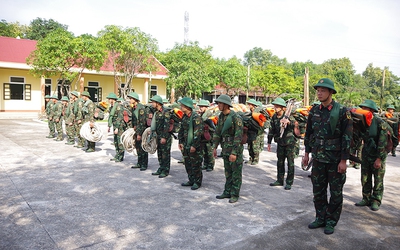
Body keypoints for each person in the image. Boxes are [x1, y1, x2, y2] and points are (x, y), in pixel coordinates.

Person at [302, 78, 352, 235]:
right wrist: (306, 153)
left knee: (336, 192)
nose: (319, 92)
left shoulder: (342, 111)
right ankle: (320, 218)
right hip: (318, 158)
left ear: (331, 92)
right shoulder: (314, 110)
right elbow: (309, 133)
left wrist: (344, 160)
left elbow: (347, 137)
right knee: (318, 190)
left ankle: (331, 221)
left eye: (323, 90)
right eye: (318, 90)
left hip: (335, 159)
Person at [355, 100, 388, 211]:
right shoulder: (362, 122)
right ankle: (366, 198)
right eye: (362, 108)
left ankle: (376, 200)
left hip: (378, 154)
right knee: (365, 177)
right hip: (366, 154)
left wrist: (379, 159)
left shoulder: (380, 123)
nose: (362, 110)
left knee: (378, 179)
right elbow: (358, 137)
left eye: (365, 108)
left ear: (372, 110)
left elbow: (382, 142)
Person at [213, 94, 244, 203]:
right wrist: (214, 147)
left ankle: (235, 194)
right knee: (228, 172)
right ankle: (227, 191)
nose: (218, 105)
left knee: (236, 172)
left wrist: (234, 152)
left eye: (220, 103)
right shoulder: (221, 116)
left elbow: (238, 136)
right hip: (225, 149)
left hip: (234, 150)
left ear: (226, 105)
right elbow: (217, 132)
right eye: (218, 103)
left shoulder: (236, 118)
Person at [267, 97, 300, 190]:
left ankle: (289, 182)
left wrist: (289, 122)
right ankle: (279, 180)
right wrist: (269, 142)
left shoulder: (288, 115)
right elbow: (271, 129)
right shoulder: (274, 117)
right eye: (275, 106)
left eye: (277, 106)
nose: (275, 108)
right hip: (280, 142)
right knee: (280, 162)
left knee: (290, 163)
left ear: (282, 108)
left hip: (289, 143)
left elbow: (296, 126)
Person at [178, 97, 204, 190]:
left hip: (194, 146)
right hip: (185, 144)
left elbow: (198, 133)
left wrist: (194, 145)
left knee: (196, 164)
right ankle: (191, 180)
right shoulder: (184, 117)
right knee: (188, 163)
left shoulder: (196, 117)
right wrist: (180, 141)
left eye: (182, 105)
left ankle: (197, 182)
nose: (181, 107)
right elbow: (181, 130)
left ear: (187, 107)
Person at [150, 95, 173, 178]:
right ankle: (161, 167)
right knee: (160, 153)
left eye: (153, 102)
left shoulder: (165, 112)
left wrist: (164, 137)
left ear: (158, 103)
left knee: (165, 154)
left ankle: (165, 170)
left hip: (165, 136)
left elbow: (166, 126)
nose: (152, 103)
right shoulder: (157, 112)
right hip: (158, 136)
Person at [128, 92, 150, 171]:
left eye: (131, 98)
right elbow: (134, 120)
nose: (130, 100)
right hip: (136, 130)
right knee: (138, 147)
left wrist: (139, 134)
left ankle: (144, 164)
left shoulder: (141, 108)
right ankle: (139, 162)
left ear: (135, 99)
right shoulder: (134, 107)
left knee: (143, 147)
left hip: (142, 131)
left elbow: (142, 122)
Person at [107, 93, 127, 162]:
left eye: (109, 99)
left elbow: (120, 117)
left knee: (119, 141)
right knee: (115, 141)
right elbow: (111, 117)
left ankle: (121, 156)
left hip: (119, 126)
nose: (108, 100)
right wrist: (109, 126)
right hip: (115, 125)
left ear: (113, 99)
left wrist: (117, 128)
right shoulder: (112, 107)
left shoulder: (118, 106)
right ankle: (117, 155)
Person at [197, 100, 215, 172]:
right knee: (204, 150)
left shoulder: (208, 113)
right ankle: (205, 164)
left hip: (209, 134)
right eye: (200, 106)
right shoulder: (202, 113)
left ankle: (210, 165)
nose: (200, 108)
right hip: (204, 134)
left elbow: (203, 119)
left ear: (206, 107)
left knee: (209, 150)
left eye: (201, 107)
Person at [246, 99, 265, 165]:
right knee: (249, 146)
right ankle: (251, 158)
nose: (248, 105)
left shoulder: (257, 112)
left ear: (253, 105)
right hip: (250, 131)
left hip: (256, 132)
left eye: (250, 104)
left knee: (255, 146)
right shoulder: (250, 112)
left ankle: (256, 159)